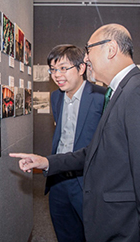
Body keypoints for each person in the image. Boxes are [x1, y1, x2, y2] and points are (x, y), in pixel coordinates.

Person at [10, 24, 140, 241]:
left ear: (110, 49)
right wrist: (47, 162)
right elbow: (97, 150)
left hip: (127, 222)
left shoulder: (138, 92)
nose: (87, 59)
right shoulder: (122, 91)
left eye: (89, 50)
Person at [42, 44, 105, 242]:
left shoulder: (101, 97)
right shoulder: (56, 97)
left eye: (63, 68)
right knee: (66, 234)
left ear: (81, 68)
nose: (57, 75)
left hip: (87, 182)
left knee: (95, 235)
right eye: (53, 69)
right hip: (59, 180)